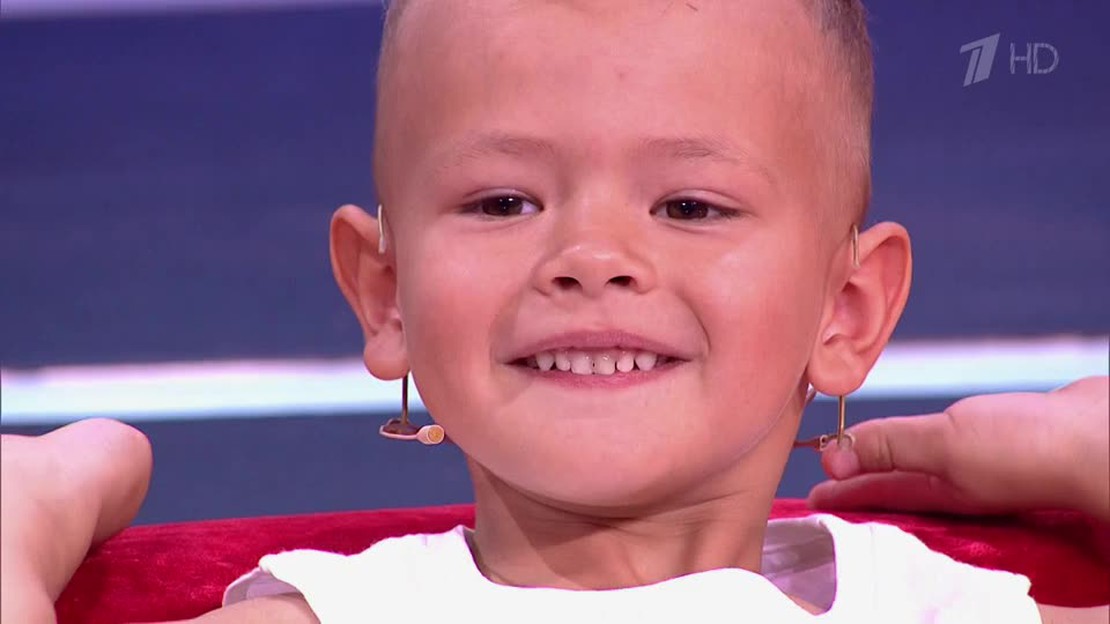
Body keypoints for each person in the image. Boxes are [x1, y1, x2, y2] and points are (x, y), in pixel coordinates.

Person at [2, 0, 1107, 621]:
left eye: (689, 205)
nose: (591, 259)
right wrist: (31, 516)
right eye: (503, 202)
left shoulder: (938, 610)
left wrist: (1077, 450)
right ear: (386, 293)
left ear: (847, 309)